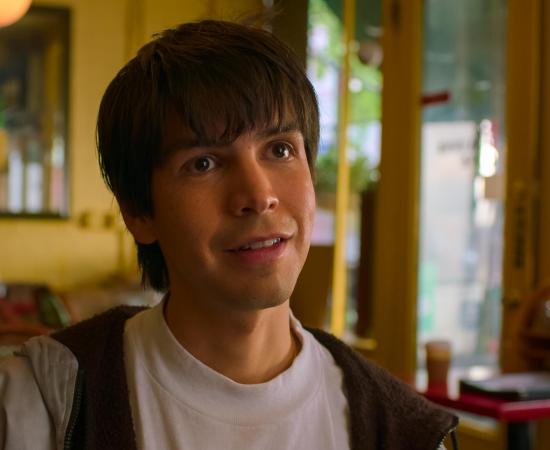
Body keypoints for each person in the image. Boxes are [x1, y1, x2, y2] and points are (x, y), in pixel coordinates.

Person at [0, 19, 458, 450]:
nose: (258, 196)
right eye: (203, 163)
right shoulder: (43, 403)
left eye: (280, 150)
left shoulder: (401, 430)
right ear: (138, 213)